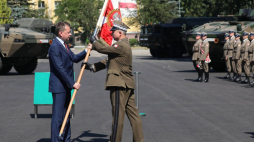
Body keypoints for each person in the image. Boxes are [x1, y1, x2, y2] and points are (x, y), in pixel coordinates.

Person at [82, 21, 144, 142]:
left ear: (120, 33)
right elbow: (110, 60)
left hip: (119, 84)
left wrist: (94, 41)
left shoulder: (120, 45)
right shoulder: (124, 46)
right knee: (134, 115)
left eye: (113, 31)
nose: (111, 34)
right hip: (127, 84)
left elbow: (104, 49)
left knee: (117, 117)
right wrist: (93, 67)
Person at [48, 21, 90, 142]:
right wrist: (72, 83)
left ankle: (66, 138)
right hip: (59, 86)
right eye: (68, 32)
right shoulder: (54, 47)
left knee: (67, 114)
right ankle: (56, 140)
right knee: (58, 116)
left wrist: (86, 51)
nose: (70, 34)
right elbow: (59, 69)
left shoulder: (64, 45)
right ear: (60, 33)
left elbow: (74, 58)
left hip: (65, 86)